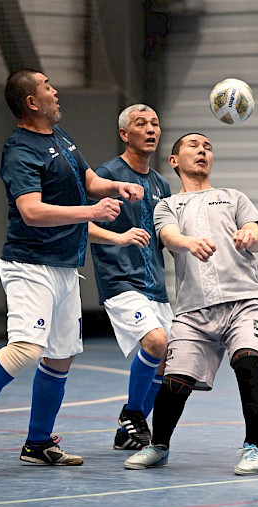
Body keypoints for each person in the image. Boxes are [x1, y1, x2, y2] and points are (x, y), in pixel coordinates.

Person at [0, 69, 144, 467]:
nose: (55, 91)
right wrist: (92, 212)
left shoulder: (59, 136)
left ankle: (38, 443)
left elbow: (88, 179)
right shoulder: (20, 150)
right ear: (32, 102)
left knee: (60, 356)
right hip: (30, 265)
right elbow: (31, 211)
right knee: (27, 349)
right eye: (47, 86)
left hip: (65, 266)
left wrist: (116, 187)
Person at [123, 133, 258, 475]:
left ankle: (254, 447)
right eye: (193, 145)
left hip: (244, 302)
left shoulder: (233, 197)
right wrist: (188, 243)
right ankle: (159, 446)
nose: (202, 150)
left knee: (249, 364)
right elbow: (169, 236)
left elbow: (256, 234)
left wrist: (251, 236)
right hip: (193, 311)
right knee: (175, 381)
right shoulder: (167, 206)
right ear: (174, 161)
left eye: (207, 147)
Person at [87, 104, 172, 450]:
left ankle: (127, 433)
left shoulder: (161, 184)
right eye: (141, 124)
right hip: (120, 281)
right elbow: (81, 224)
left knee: (167, 360)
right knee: (155, 341)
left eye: (155, 123)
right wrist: (120, 238)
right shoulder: (107, 175)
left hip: (155, 285)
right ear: (124, 133)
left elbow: (166, 236)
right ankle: (133, 413)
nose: (150, 129)